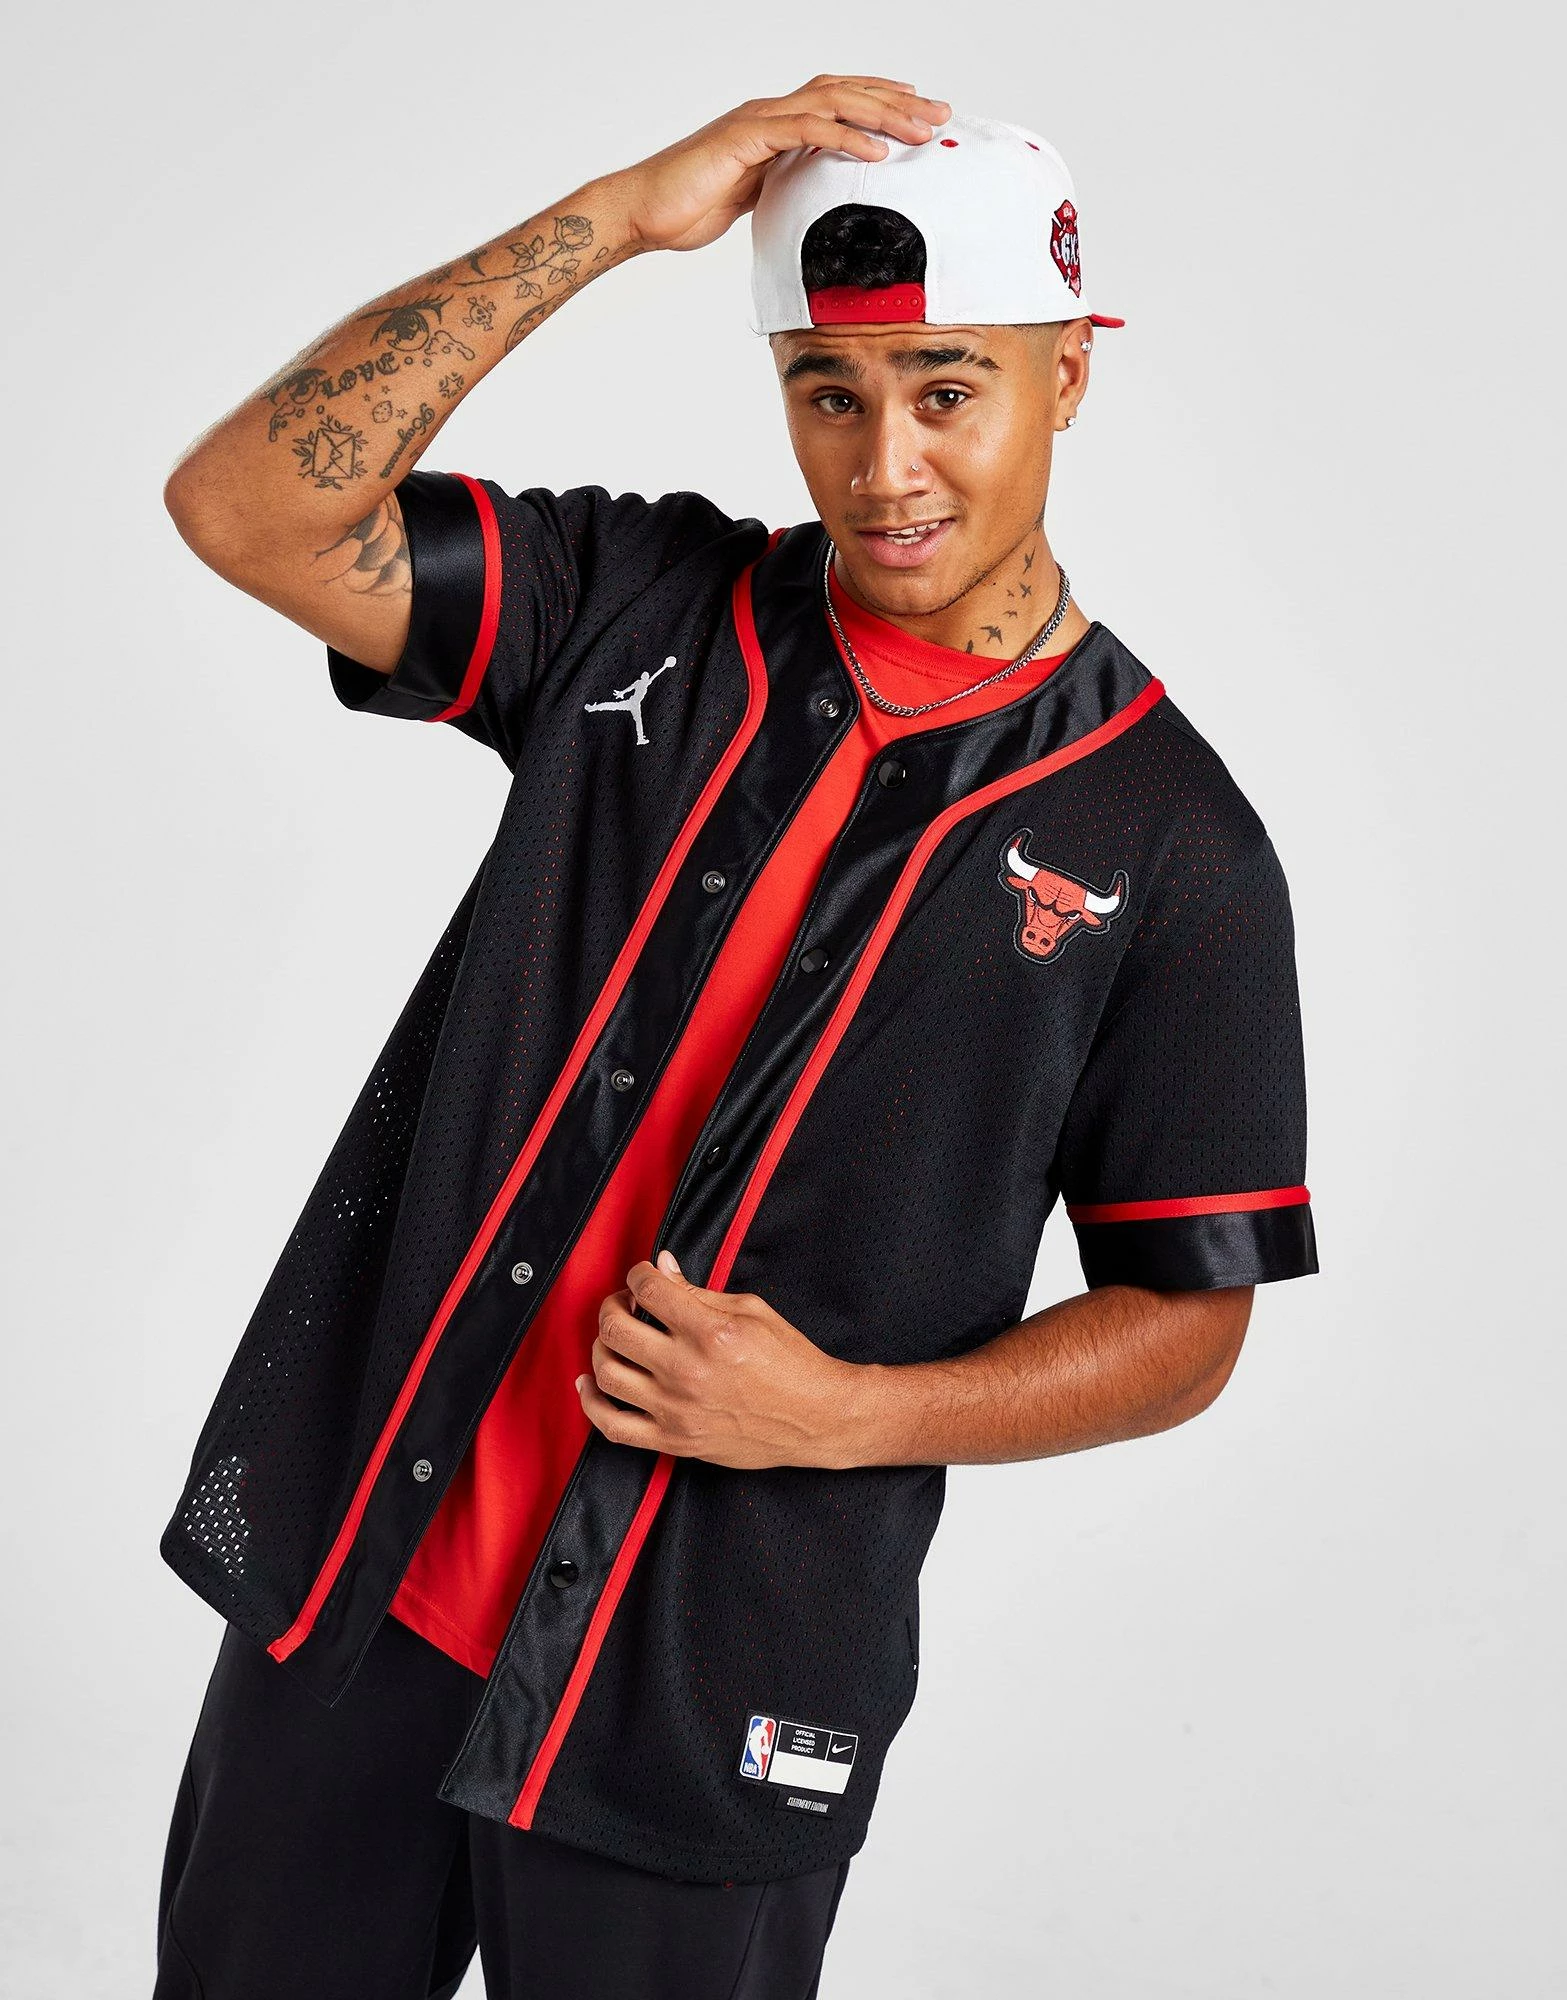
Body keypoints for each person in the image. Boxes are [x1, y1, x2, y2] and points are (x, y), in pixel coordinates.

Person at [154, 76, 1318, 2000]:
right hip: (363, 1578)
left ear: (1068, 376)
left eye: (947, 390)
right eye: (827, 394)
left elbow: (1186, 1325)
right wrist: (618, 214)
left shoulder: (1171, 844)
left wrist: (853, 1415)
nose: (886, 464)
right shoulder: (639, 611)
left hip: (709, 1685)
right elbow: (246, 506)